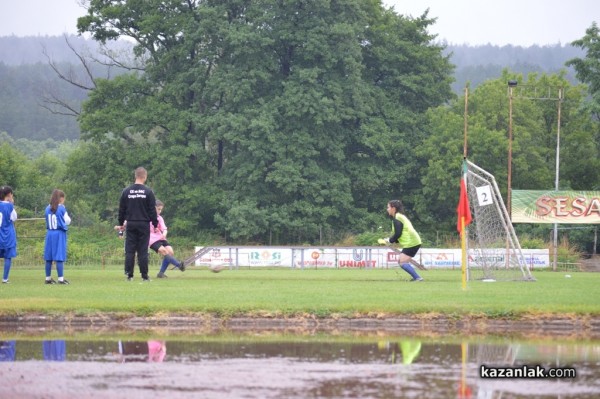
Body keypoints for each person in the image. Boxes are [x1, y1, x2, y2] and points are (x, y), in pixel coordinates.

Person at [117, 167, 158, 282]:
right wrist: (155, 224)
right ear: (145, 177)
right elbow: (152, 210)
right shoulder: (148, 192)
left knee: (130, 250)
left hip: (131, 223)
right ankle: (144, 276)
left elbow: (121, 209)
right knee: (142, 251)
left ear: (135, 176)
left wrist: (121, 223)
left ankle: (129, 275)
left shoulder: (126, 191)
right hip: (144, 224)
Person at [381, 199, 424, 281]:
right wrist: (391, 240)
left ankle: (418, 278)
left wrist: (389, 240)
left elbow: (398, 234)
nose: (387, 209)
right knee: (402, 261)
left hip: (412, 242)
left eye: (388, 207)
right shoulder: (399, 216)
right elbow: (400, 234)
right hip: (413, 241)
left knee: (402, 262)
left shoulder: (397, 217)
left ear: (393, 208)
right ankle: (416, 277)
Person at [150, 200, 185, 278]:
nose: (160, 211)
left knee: (170, 252)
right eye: (158, 209)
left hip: (161, 238)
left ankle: (161, 273)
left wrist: (164, 234)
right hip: (151, 239)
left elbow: (164, 229)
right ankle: (179, 265)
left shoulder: (160, 218)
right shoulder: (146, 217)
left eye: (161, 209)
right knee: (164, 251)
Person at [44, 189, 71, 285]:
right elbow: (67, 221)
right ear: (61, 198)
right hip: (59, 234)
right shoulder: (62, 208)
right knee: (59, 256)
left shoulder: (47, 208)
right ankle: (60, 279)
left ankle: (48, 278)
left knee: (49, 257)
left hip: (50, 233)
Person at [0, 186, 18, 284]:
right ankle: (5, 279)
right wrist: (12, 203)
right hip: (7, 234)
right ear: (9, 194)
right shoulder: (9, 206)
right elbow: (14, 218)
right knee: (7, 257)